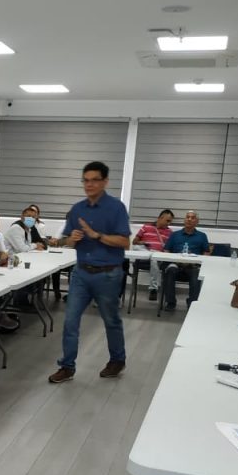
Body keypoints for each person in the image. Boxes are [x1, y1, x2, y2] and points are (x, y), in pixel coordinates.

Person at [48, 160, 130, 383]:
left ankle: (117, 360)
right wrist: (72, 239)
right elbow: (67, 241)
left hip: (108, 274)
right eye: (85, 180)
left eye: (94, 180)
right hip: (81, 273)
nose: (89, 185)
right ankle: (67, 366)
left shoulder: (116, 208)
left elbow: (125, 242)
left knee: (111, 320)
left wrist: (97, 236)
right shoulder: (77, 209)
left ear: (105, 182)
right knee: (70, 320)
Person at [160, 210, 210, 310]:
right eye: (187, 217)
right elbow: (166, 250)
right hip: (176, 264)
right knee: (169, 271)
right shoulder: (175, 235)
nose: (189, 219)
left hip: (193, 266)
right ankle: (170, 302)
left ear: (197, 222)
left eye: (192, 218)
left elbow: (206, 253)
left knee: (197, 274)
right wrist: (173, 259)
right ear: (184, 220)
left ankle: (192, 303)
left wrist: (199, 262)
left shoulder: (202, 236)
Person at [132, 208, 174, 300]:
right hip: (144, 252)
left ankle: (153, 289)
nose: (169, 223)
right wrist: (143, 242)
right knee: (136, 248)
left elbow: (169, 248)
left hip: (158, 256)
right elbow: (134, 242)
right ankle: (152, 254)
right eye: (167, 221)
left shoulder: (170, 232)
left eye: (170, 222)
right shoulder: (146, 227)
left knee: (154, 258)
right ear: (161, 218)